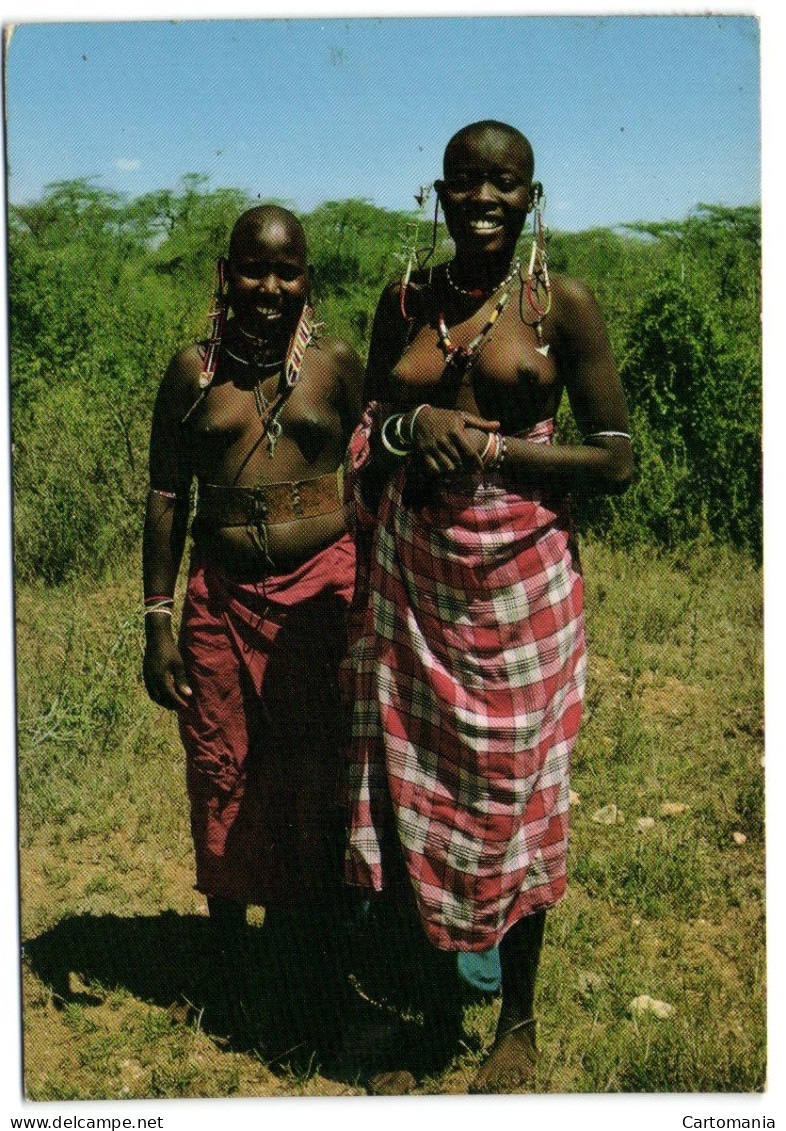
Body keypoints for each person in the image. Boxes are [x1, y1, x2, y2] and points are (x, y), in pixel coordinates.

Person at [344, 121, 633, 1093]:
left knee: (518, 797)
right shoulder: (405, 303)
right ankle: (430, 1014)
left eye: (503, 184)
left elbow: (615, 457)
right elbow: (364, 431)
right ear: (440, 190)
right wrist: (409, 422)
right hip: (419, 581)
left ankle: (517, 1023)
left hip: (525, 591)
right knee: (423, 793)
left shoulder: (564, 307)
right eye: (466, 182)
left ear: (531, 194)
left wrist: (496, 452)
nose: (483, 200)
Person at [142, 205, 363, 1055]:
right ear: (223, 274)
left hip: (323, 599)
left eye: (289, 271)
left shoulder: (337, 364)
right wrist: (158, 618)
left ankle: (314, 953)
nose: (270, 290)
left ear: (309, 278)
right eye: (253, 270)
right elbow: (167, 496)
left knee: (317, 768)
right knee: (220, 765)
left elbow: (375, 468)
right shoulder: (193, 372)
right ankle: (232, 954)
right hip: (220, 597)